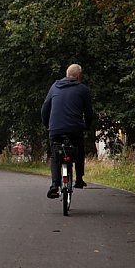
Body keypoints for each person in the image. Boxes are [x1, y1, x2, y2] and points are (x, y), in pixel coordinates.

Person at [41, 63, 94, 198]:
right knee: (79, 149)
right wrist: (87, 125)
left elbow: (45, 109)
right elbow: (89, 112)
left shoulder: (54, 87)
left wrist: (48, 125)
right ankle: (80, 179)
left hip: (55, 129)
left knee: (55, 155)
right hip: (75, 129)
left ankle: (54, 184)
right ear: (78, 76)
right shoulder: (83, 89)